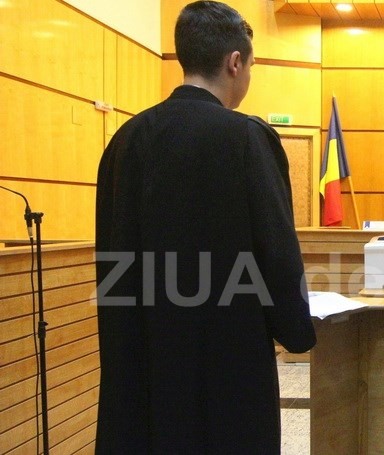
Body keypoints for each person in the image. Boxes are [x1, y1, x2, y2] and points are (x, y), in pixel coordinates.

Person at [94, 2, 316, 453]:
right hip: (226, 372)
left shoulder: (125, 141)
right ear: (235, 62)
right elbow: (276, 251)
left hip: (143, 367)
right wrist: (297, 329)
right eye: (251, 65)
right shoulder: (247, 138)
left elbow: (111, 263)